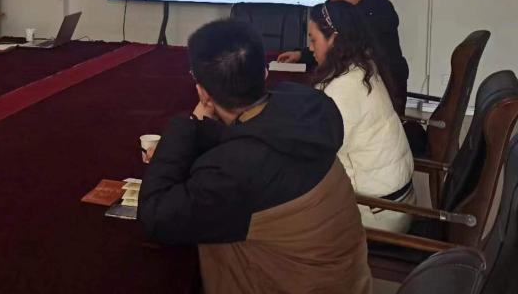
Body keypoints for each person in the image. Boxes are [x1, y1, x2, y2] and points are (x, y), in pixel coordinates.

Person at [138, 19, 371, 294]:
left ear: (203, 92)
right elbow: (251, 137)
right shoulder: (307, 104)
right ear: (264, 73)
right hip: (349, 279)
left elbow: (155, 216)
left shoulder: (232, 169)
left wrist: (188, 124)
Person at [308, 0, 415, 233]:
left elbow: (317, 153)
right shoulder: (364, 68)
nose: (310, 48)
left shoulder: (342, 89)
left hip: (377, 214)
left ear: (334, 39)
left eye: (313, 40)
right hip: (397, 201)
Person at [278, 0, 409, 114]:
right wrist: (300, 54)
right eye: (330, 1)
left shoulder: (371, 18)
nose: (333, 6)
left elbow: (336, 47)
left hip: (391, 86)